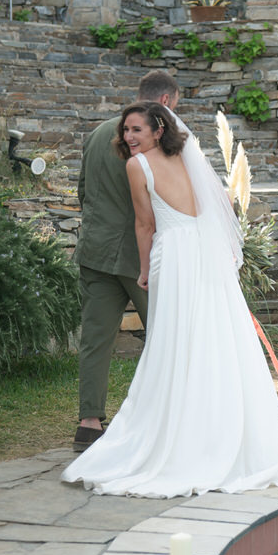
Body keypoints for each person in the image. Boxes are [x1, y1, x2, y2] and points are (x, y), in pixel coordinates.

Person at [61, 101, 278, 497]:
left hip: (167, 255)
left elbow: (145, 223)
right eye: (126, 130)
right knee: (206, 340)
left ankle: (165, 434)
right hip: (201, 255)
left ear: (157, 130)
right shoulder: (189, 162)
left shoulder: (138, 165)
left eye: (136, 131)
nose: (128, 137)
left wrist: (147, 269)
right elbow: (208, 211)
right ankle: (212, 432)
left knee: (170, 345)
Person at [72, 70, 181, 453]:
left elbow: (84, 191)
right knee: (167, 337)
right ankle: (166, 422)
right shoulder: (155, 146)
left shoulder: (101, 132)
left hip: (96, 253)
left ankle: (88, 424)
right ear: (166, 103)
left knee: (95, 339)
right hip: (143, 260)